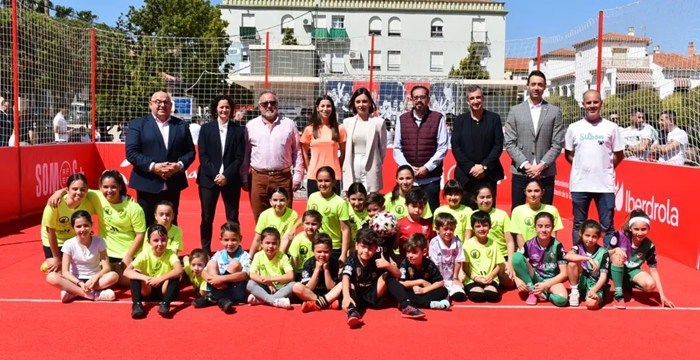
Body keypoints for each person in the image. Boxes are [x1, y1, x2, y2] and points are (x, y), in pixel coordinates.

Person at [47, 170, 147, 285]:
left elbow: (141, 234)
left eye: (113, 187)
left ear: (120, 186)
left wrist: (128, 256)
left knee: (126, 281)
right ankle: (87, 288)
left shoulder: (134, 207)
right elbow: (75, 188)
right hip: (105, 255)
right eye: (105, 187)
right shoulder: (96, 196)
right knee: (102, 277)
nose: (109, 191)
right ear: (100, 187)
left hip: (126, 254)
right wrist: (59, 193)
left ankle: (83, 288)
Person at [125, 91, 196, 226]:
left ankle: (171, 247)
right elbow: (132, 153)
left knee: (171, 223)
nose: (162, 105)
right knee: (146, 223)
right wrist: (153, 167)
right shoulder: (137, 125)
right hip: (147, 183)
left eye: (166, 102)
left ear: (171, 105)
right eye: (158, 102)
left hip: (173, 183)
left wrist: (179, 165)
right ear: (150, 104)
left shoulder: (181, 125)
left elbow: (190, 152)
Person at [565, 90, 624, 245]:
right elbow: (569, 154)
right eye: (588, 103)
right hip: (580, 184)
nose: (592, 106)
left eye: (595, 102)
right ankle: (579, 260)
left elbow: (619, 155)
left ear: (601, 103)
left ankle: (607, 261)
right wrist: (583, 167)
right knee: (579, 224)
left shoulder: (612, 127)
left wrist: (605, 168)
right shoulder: (573, 128)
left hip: (604, 186)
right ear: (583, 105)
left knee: (607, 227)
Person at [504, 70, 564, 210]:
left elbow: (557, 143)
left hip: (545, 172)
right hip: (521, 171)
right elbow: (509, 142)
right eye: (533, 84)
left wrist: (541, 165)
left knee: (546, 214)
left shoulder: (554, 111)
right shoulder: (515, 111)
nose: (536, 87)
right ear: (527, 86)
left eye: (540, 84)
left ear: (545, 87)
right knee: (517, 212)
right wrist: (526, 165)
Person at [341, 228, 425, 328]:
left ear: (376, 248)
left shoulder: (378, 257)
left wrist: (387, 265)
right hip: (357, 297)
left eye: (370, 248)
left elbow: (398, 275)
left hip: (374, 295)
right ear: (356, 245)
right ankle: (352, 312)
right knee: (349, 284)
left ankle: (406, 305)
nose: (366, 251)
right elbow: (345, 276)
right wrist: (346, 296)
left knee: (387, 275)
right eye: (363, 247)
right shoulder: (351, 259)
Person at [242, 90, 304, 220]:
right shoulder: (251, 126)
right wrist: (244, 178)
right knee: (260, 218)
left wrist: (298, 176)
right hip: (258, 178)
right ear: (259, 106)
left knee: (284, 219)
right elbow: (246, 154)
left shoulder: (289, 125)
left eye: (272, 102)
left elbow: (297, 152)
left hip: (283, 178)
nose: (269, 106)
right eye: (265, 103)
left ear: (278, 104)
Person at [197, 95, 246, 254]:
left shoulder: (238, 130)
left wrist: (226, 175)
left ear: (231, 109)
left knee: (232, 216)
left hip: (230, 180)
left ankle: (234, 250)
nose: (224, 110)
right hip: (208, 180)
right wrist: (216, 175)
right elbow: (203, 156)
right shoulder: (205, 129)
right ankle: (205, 250)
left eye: (227, 107)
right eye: (221, 107)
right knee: (207, 216)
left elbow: (240, 157)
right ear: (216, 109)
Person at [393, 85, 448, 212]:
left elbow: (442, 147)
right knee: (409, 216)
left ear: (428, 99)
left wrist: (427, 167)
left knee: (431, 216)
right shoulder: (402, 119)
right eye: (416, 97)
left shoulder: (438, 118)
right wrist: (408, 169)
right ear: (411, 99)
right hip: (409, 182)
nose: (419, 100)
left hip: (431, 180)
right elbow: (397, 147)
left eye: (422, 97)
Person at [45, 211, 118, 302]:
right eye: (78, 226)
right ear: (73, 228)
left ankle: (74, 292)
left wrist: (95, 278)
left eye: (86, 225)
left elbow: (106, 267)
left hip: (94, 281)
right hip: (75, 280)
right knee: (51, 276)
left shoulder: (100, 241)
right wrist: (79, 283)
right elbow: (65, 272)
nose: (82, 229)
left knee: (113, 276)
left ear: (91, 225)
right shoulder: (68, 244)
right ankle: (90, 294)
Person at [608, 210, 675, 309]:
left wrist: (662, 296)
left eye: (644, 229)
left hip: (631, 271)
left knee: (650, 285)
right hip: (612, 268)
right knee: (619, 256)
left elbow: (654, 270)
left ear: (649, 229)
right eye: (636, 229)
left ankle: (626, 287)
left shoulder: (649, 245)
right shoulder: (619, 236)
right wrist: (616, 250)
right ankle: (618, 295)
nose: (640, 233)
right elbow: (604, 254)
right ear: (630, 228)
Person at [451, 85, 504, 207]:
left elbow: (498, 145)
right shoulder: (459, 120)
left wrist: (484, 166)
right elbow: (456, 146)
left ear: (483, 98)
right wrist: (471, 167)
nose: (476, 101)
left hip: (488, 174)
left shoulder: (494, 119)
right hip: (465, 176)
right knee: (466, 212)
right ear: (467, 101)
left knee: (486, 212)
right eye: (472, 98)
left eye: (478, 97)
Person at [125, 224, 183, 319]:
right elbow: (126, 271)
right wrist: (145, 278)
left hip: (164, 290)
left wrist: (160, 279)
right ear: (149, 242)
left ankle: (165, 304)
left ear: (167, 240)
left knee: (175, 275)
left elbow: (179, 269)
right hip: (148, 288)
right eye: (156, 241)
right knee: (135, 273)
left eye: (163, 240)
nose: (160, 244)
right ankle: (137, 305)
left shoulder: (170, 253)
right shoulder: (144, 254)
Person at [40, 173, 96, 273]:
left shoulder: (89, 203)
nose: (79, 192)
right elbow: (50, 232)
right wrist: (56, 258)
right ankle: (52, 260)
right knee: (58, 273)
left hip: (76, 239)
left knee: (85, 269)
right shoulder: (55, 203)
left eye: (82, 189)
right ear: (67, 189)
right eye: (74, 189)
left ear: (87, 190)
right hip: (56, 241)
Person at [511, 212, 568, 307]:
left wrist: (546, 285)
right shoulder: (529, 244)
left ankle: (545, 294)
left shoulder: (557, 245)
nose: (544, 230)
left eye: (547, 226)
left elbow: (564, 273)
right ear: (535, 227)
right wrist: (516, 278)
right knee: (516, 257)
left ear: (552, 228)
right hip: (535, 278)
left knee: (561, 300)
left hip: (551, 280)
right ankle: (532, 290)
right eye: (540, 226)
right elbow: (517, 262)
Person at [464, 184, 515, 287]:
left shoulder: (502, 214)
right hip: (479, 258)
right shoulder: (471, 215)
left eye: (488, 197)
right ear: (475, 199)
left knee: (509, 283)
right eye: (482, 197)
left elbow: (510, 241)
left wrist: (509, 263)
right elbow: (467, 239)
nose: (485, 200)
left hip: (500, 257)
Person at [342, 87, 387, 193]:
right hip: (352, 164)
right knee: (354, 197)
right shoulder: (347, 123)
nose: (361, 105)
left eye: (364, 101)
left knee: (371, 200)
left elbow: (383, 149)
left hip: (371, 165)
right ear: (354, 104)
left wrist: (376, 162)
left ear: (370, 103)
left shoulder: (378, 123)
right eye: (358, 102)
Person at [199, 222, 250, 313]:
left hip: (235, 291)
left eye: (234, 240)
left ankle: (213, 297)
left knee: (235, 264)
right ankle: (221, 299)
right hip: (217, 287)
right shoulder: (219, 254)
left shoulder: (245, 256)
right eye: (226, 240)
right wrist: (213, 280)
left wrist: (221, 279)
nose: (230, 243)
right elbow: (203, 272)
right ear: (221, 240)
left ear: (240, 239)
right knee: (212, 263)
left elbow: (245, 275)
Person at [301, 95, 346, 195]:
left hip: (334, 177)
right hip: (314, 176)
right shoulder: (309, 129)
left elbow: (343, 153)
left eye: (328, 106)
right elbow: (304, 151)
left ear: (332, 108)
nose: (325, 109)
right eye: (322, 106)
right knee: (314, 209)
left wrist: (337, 167)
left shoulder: (340, 129)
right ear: (317, 108)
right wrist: (309, 168)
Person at [306, 167, 351, 264]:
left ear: (334, 182)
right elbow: (308, 222)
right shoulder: (312, 197)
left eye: (327, 181)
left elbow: (345, 230)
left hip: (333, 248)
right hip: (317, 246)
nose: (323, 184)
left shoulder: (340, 203)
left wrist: (343, 254)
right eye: (320, 181)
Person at [246, 227, 295, 309]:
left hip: (280, 288)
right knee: (250, 284)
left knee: (293, 285)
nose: (271, 246)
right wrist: (267, 282)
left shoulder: (282, 257)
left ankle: (261, 300)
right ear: (261, 244)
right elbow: (252, 274)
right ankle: (275, 301)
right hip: (265, 287)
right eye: (267, 243)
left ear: (279, 244)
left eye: (274, 243)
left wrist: (271, 279)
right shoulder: (258, 255)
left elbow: (290, 276)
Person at [565, 220, 610, 309]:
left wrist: (594, 290)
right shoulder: (577, 247)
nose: (590, 239)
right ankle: (575, 292)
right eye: (587, 235)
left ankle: (591, 295)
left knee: (591, 304)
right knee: (572, 263)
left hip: (594, 284)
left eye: (594, 237)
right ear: (581, 234)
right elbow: (567, 256)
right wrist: (588, 258)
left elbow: (603, 277)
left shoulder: (603, 253)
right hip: (580, 282)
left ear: (598, 237)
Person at [293, 233, 343, 313]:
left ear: (331, 251)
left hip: (329, 294)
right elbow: (309, 288)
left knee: (343, 284)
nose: (322, 255)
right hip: (312, 295)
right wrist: (316, 269)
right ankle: (327, 304)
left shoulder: (334, 262)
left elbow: (331, 287)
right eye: (319, 252)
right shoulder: (308, 264)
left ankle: (316, 304)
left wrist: (326, 270)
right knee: (296, 286)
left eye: (326, 252)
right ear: (313, 251)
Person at [462, 211, 505, 303]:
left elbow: (499, 264)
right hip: (473, 279)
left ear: (490, 226)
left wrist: (491, 276)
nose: (482, 229)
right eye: (478, 226)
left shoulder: (494, 243)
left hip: (490, 278)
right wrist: (474, 278)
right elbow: (465, 267)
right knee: (477, 296)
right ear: (473, 228)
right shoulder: (467, 244)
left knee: (492, 296)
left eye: (485, 225)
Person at [509, 179, 564, 249]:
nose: (533, 194)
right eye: (529, 191)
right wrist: (526, 255)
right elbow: (519, 237)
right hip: (526, 253)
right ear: (525, 192)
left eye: (536, 191)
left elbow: (553, 235)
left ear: (542, 192)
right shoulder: (517, 211)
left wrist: (548, 253)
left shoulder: (552, 210)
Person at [399, 234, 450, 309]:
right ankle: (429, 304)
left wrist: (424, 290)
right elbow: (401, 283)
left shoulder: (429, 264)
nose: (410, 255)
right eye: (408, 252)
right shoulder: (405, 263)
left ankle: (416, 303)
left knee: (444, 291)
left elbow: (440, 282)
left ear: (424, 252)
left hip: (425, 292)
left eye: (414, 252)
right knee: (402, 292)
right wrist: (420, 281)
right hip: (412, 291)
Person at [249, 187, 298, 259]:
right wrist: (249, 258)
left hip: (283, 251)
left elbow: (286, 238)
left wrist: (278, 258)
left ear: (287, 201)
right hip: (267, 251)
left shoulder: (293, 214)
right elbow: (257, 239)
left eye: (282, 200)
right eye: (275, 200)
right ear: (270, 201)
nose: (278, 204)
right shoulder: (264, 215)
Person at [428, 213, 467, 302]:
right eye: (445, 229)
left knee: (459, 297)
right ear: (437, 229)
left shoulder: (457, 242)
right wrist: (439, 281)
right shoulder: (434, 243)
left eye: (451, 229)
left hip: (451, 278)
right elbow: (434, 264)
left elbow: (458, 261)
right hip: (438, 279)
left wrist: (455, 278)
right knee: (442, 295)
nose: (449, 232)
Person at [395, 187, 435, 260]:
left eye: (420, 207)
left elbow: (432, 244)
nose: (417, 210)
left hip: (424, 262)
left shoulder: (427, 224)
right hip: (406, 262)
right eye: (414, 206)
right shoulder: (400, 224)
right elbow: (395, 246)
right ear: (406, 205)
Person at [288, 210, 322, 281]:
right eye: (307, 223)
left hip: (318, 270)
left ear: (319, 225)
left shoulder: (322, 239)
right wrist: (293, 280)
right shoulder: (298, 239)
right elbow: (294, 261)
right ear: (302, 224)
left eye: (314, 224)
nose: (310, 227)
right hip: (301, 272)